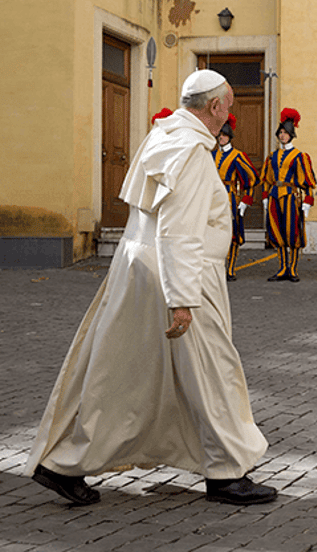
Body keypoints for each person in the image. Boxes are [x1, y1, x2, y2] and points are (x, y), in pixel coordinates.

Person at [26, 70, 276, 506]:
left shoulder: (164, 136)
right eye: (229, 104)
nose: (231, 113)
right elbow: (178, 231)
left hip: (138, 272)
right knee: (213, 373)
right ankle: (225, 475)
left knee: (124, 375)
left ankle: (62, 464)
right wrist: (182, 300)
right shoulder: (193, 152)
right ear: (214, 106)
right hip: (184, 277)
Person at [261, 108, 316, 282]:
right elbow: (266, 178)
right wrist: (264, 197)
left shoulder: (300, 156)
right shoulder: (272, 156)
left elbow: (308, 181)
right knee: (278, 233)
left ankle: (292, 269)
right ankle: (282, 267)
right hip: (275, 196)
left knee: (292, 233)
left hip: (291, 197)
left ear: (292, 135)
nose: (283, 136)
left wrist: (307, 202)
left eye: (286, 133)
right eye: (281, 133)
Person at [213, 113, 259, 281]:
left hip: (230, 197)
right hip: (213, 198)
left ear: (229, 137)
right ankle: (217, 268)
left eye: (224, 135)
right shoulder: (212, 154)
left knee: (231, 234)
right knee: (213, 232)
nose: (222, 138)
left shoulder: (237, 156)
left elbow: (252, 178)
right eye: (220, 135)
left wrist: (246, 199)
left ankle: (230, 268)